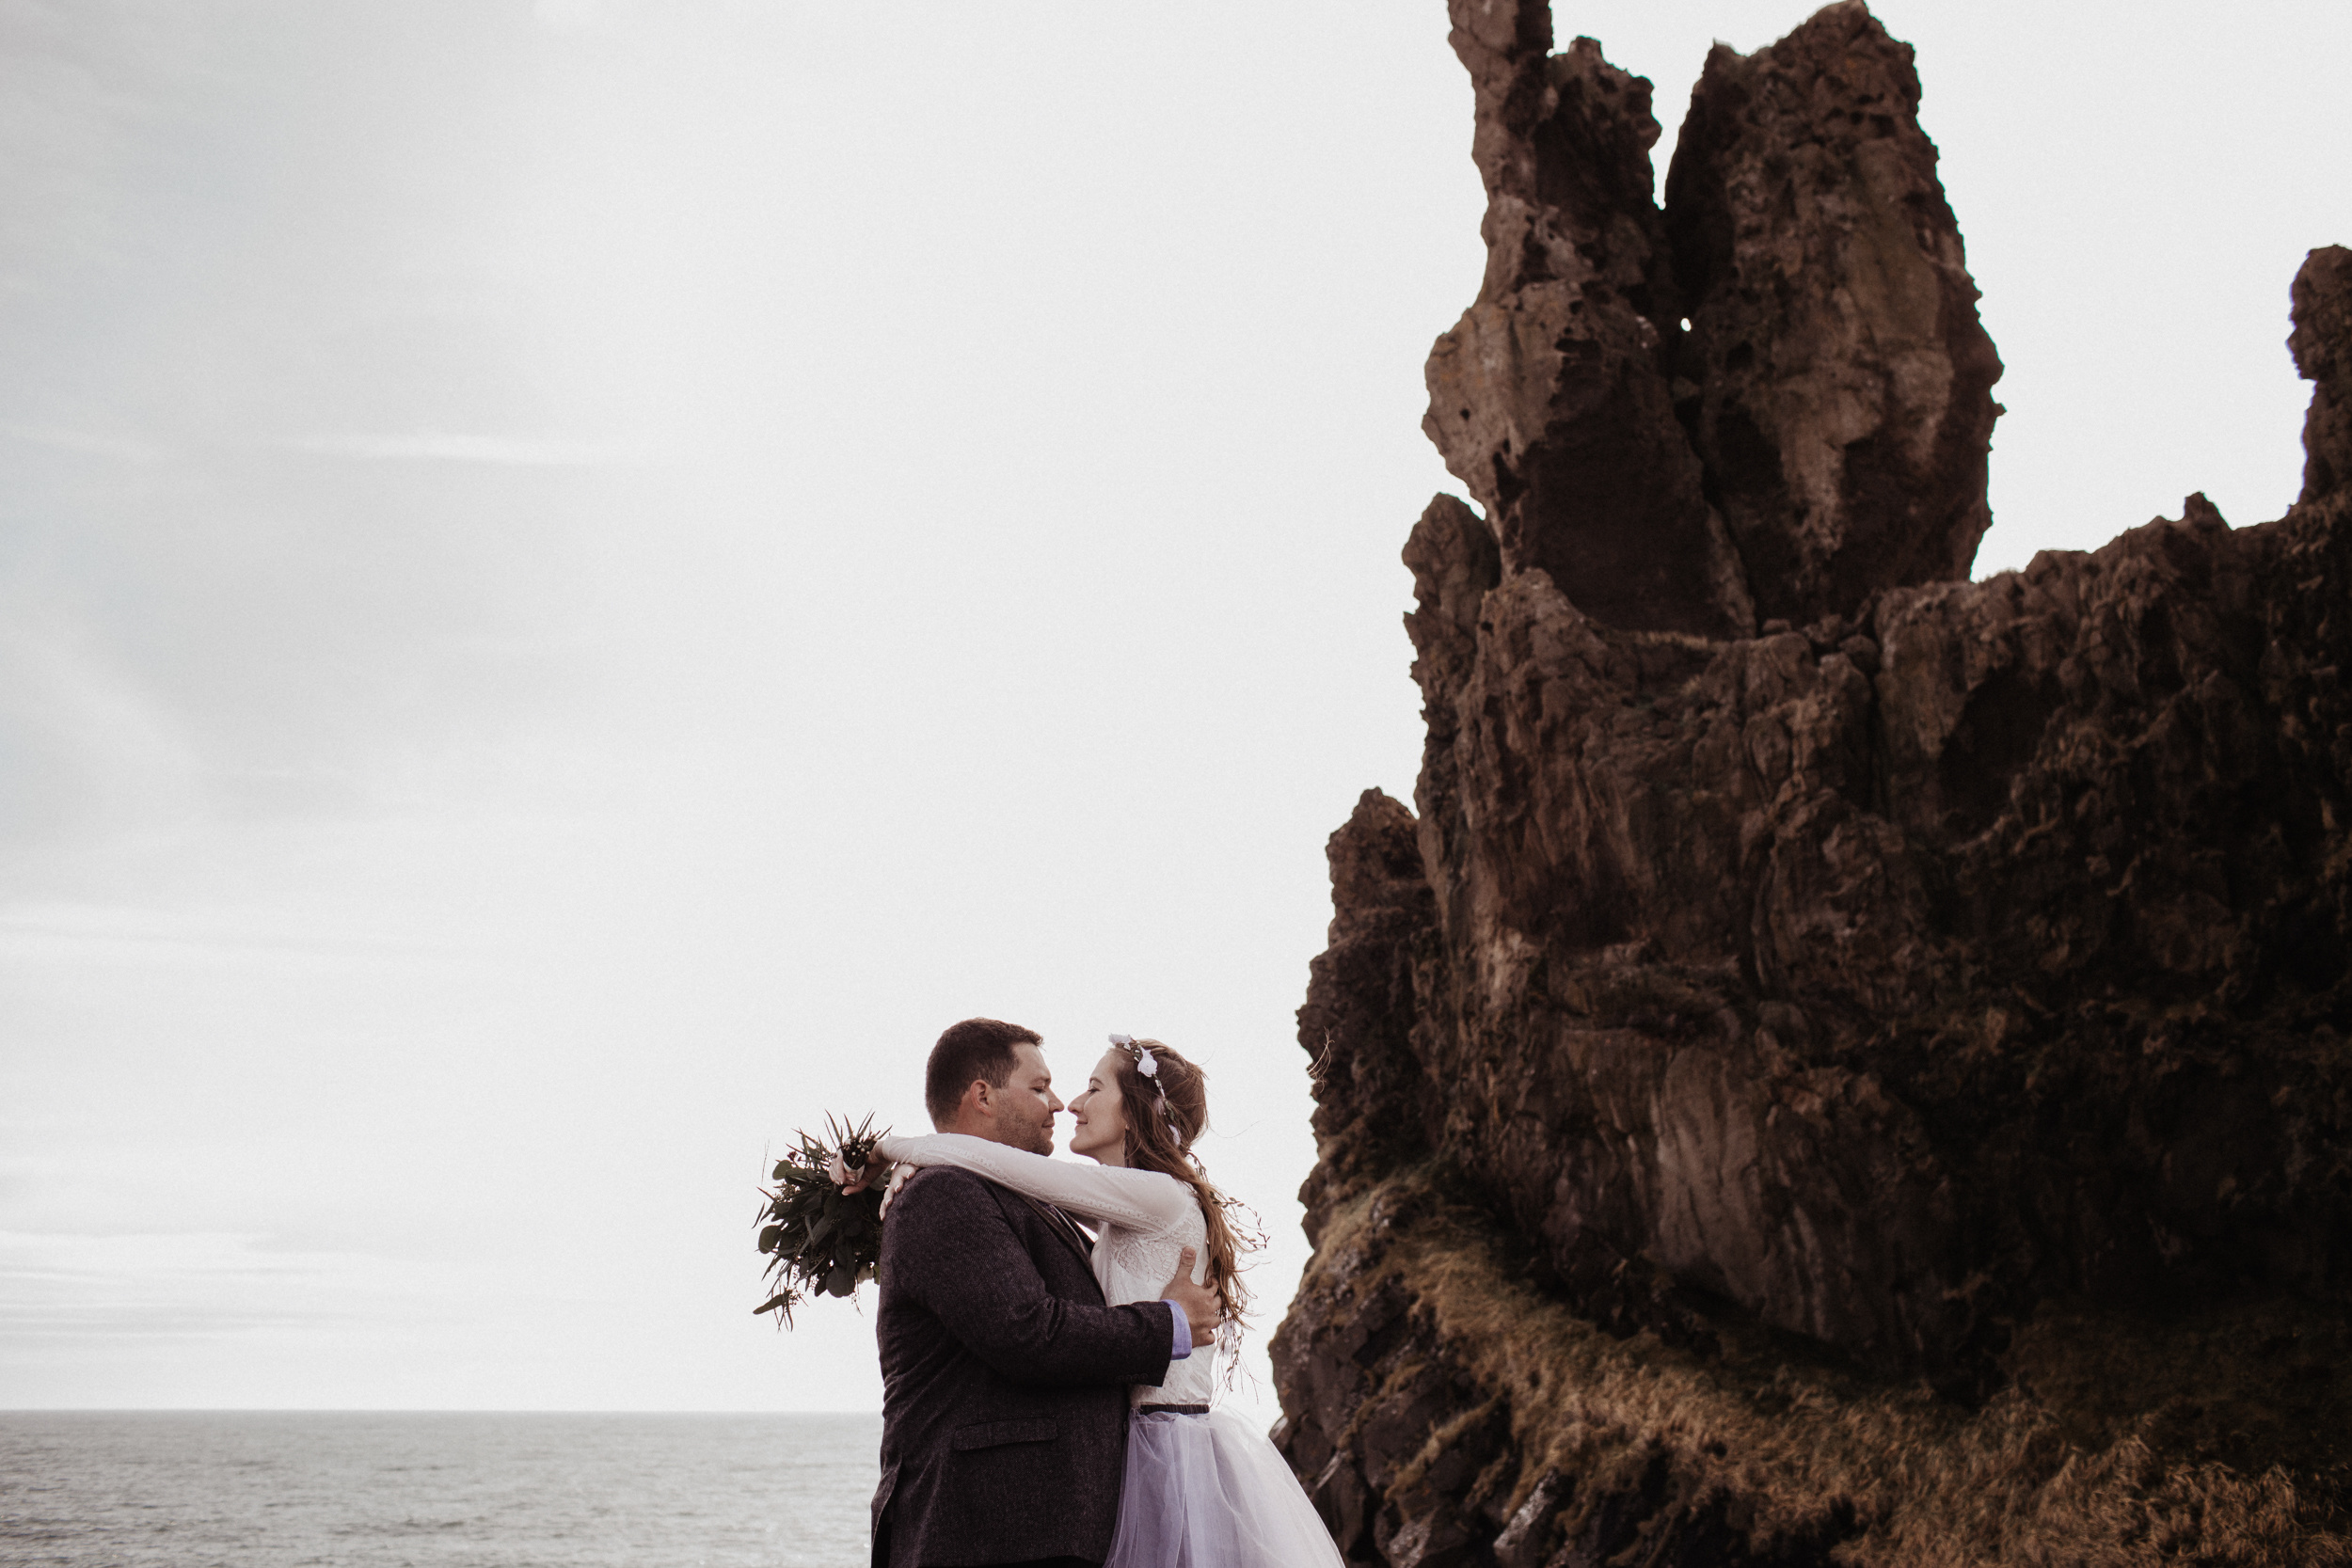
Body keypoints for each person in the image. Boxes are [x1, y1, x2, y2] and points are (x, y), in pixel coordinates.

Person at [849, 1032, 1347, 1568]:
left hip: (1164, 1447)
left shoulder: (1155, 1196)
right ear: (983, 1096)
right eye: (1043, 1087)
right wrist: (926, 1166)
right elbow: (1028, 1322)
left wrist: (895, 1150)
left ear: (1135, 1112)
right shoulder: (980, 1197)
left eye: (1090, 1088)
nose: (1069, 1104)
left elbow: (1022, 1177)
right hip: (1073, 1483)